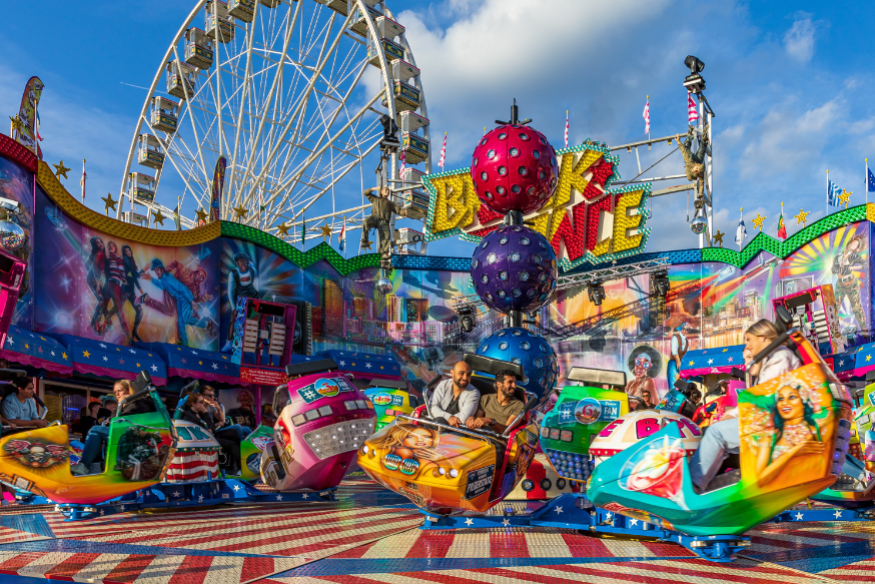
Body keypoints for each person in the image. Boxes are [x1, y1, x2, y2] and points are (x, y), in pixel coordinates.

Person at [689, 319, 802, 493]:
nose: (748, 345)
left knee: (715, 433)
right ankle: (712, 491)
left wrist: (734, 415)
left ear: (763, 337)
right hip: (772, 421)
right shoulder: (774, 357)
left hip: (776, 423)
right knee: (720, 440)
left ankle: (693, 487)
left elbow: (763, 396)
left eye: (749, 339)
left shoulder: (779, 356)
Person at [754, 383, 827, 487]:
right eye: (780, 399)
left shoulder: (817, 431)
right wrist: (793, 452)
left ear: (803, 401)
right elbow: (761, 480)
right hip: (781, 496)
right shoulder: (769, 436)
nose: (785, 403)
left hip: (810, 495)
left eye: (792, 397)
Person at [73, 380, 152, 475]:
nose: (117, 394)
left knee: (95, 430)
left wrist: (122, 406)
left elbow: (125, 420)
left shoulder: (138, 402)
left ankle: (84, 466)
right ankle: (90, 465)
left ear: (129, 390)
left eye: (120, 390)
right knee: (96, 431)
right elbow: (110, 420)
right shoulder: (121, 405)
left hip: (131, 436)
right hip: (122, 433)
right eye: (115, 392)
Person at [141, 259, 212, 346]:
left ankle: (203, 327)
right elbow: (161, 285)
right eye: (155, 270)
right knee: (181, 322)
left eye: (158, 269)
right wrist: (151, 279)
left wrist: (192, 301)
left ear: (162, 269)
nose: (157, 272)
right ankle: (187, 341)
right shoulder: (164, 279)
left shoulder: (168, 278)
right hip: (180, 299)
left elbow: (182, 289)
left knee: (184, 320)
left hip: (185, 299)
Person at [181, 393, 241, 475]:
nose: (203, 404)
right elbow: (208, 429)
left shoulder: (197, 413)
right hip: (204, 442)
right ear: (193, 403)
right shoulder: (190, 416)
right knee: (232, 445)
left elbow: (211, 428)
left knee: (235, 432)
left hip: (209, 437)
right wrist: (205, 413)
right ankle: (239, 467)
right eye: (201, 402)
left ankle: (231, 466)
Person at [370, 422, 441, 476]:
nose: (420, 440)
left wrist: (440, 460)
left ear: (433, 438)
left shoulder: (437, 452)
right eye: (411, 437)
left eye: (427, 437)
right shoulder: (404, 451)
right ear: (401, 438)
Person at [223, 253, 260, 351]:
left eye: (245, 262)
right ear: (237, 263)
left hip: (252, 298)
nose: (243, 264)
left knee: (253, 321)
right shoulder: (233, 274)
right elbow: (230, 292)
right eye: (240, 262)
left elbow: (257, 286)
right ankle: (228, 342)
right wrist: (233, 307)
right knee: (234, 320)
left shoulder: (253, 271)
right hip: (239, 299)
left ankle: (250, 344)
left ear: (248, 262)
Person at [430, 361, 479, 428]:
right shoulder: (443, 385)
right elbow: (432, 407)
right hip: (436, 424)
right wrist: (449, 417)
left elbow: (463, 418)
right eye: (461, 373)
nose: (465, 378)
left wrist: (442, 417)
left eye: (468, 375)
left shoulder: (473, 393)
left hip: (456, 431)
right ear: (452, 373)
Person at [121, 245, 145, 342]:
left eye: (129, 250)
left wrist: (140, 290)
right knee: (117, 310)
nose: (128, 252)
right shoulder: (126, 260)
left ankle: (134, 332)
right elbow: (136, 275)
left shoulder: (130, 262)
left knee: (140, 312)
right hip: (125, 292)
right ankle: (106, 322)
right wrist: (143, 271)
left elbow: (134, 278)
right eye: (126, 251)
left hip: (131, 292)